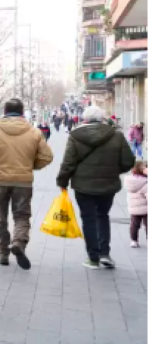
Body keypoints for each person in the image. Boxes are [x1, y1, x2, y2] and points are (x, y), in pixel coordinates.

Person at [0, 98, 54, 270]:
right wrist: (31, 166)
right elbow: (47, 156)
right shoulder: (34, 131)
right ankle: (18, 242)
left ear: (4, 111)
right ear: (22, 111)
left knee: (0, 217)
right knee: (21, 215)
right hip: (23, 181)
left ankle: (3, 253)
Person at [57, 105, 136, 269]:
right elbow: (128, 161)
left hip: (83, 185)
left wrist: (62, 182)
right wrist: (114, 171)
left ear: (84, 119)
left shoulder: (75, 136)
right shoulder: (117, 136)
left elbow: (68, 163)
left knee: (88, 219)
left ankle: (93, 258)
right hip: (108, 185)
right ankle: (104, 254)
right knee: (103, 216)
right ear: (102, 119)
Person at [125, 161, 147, 248]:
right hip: (146, 208)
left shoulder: (130, 181)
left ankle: (133, 241)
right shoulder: (145, 182)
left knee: (134, 225)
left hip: (133, 208)